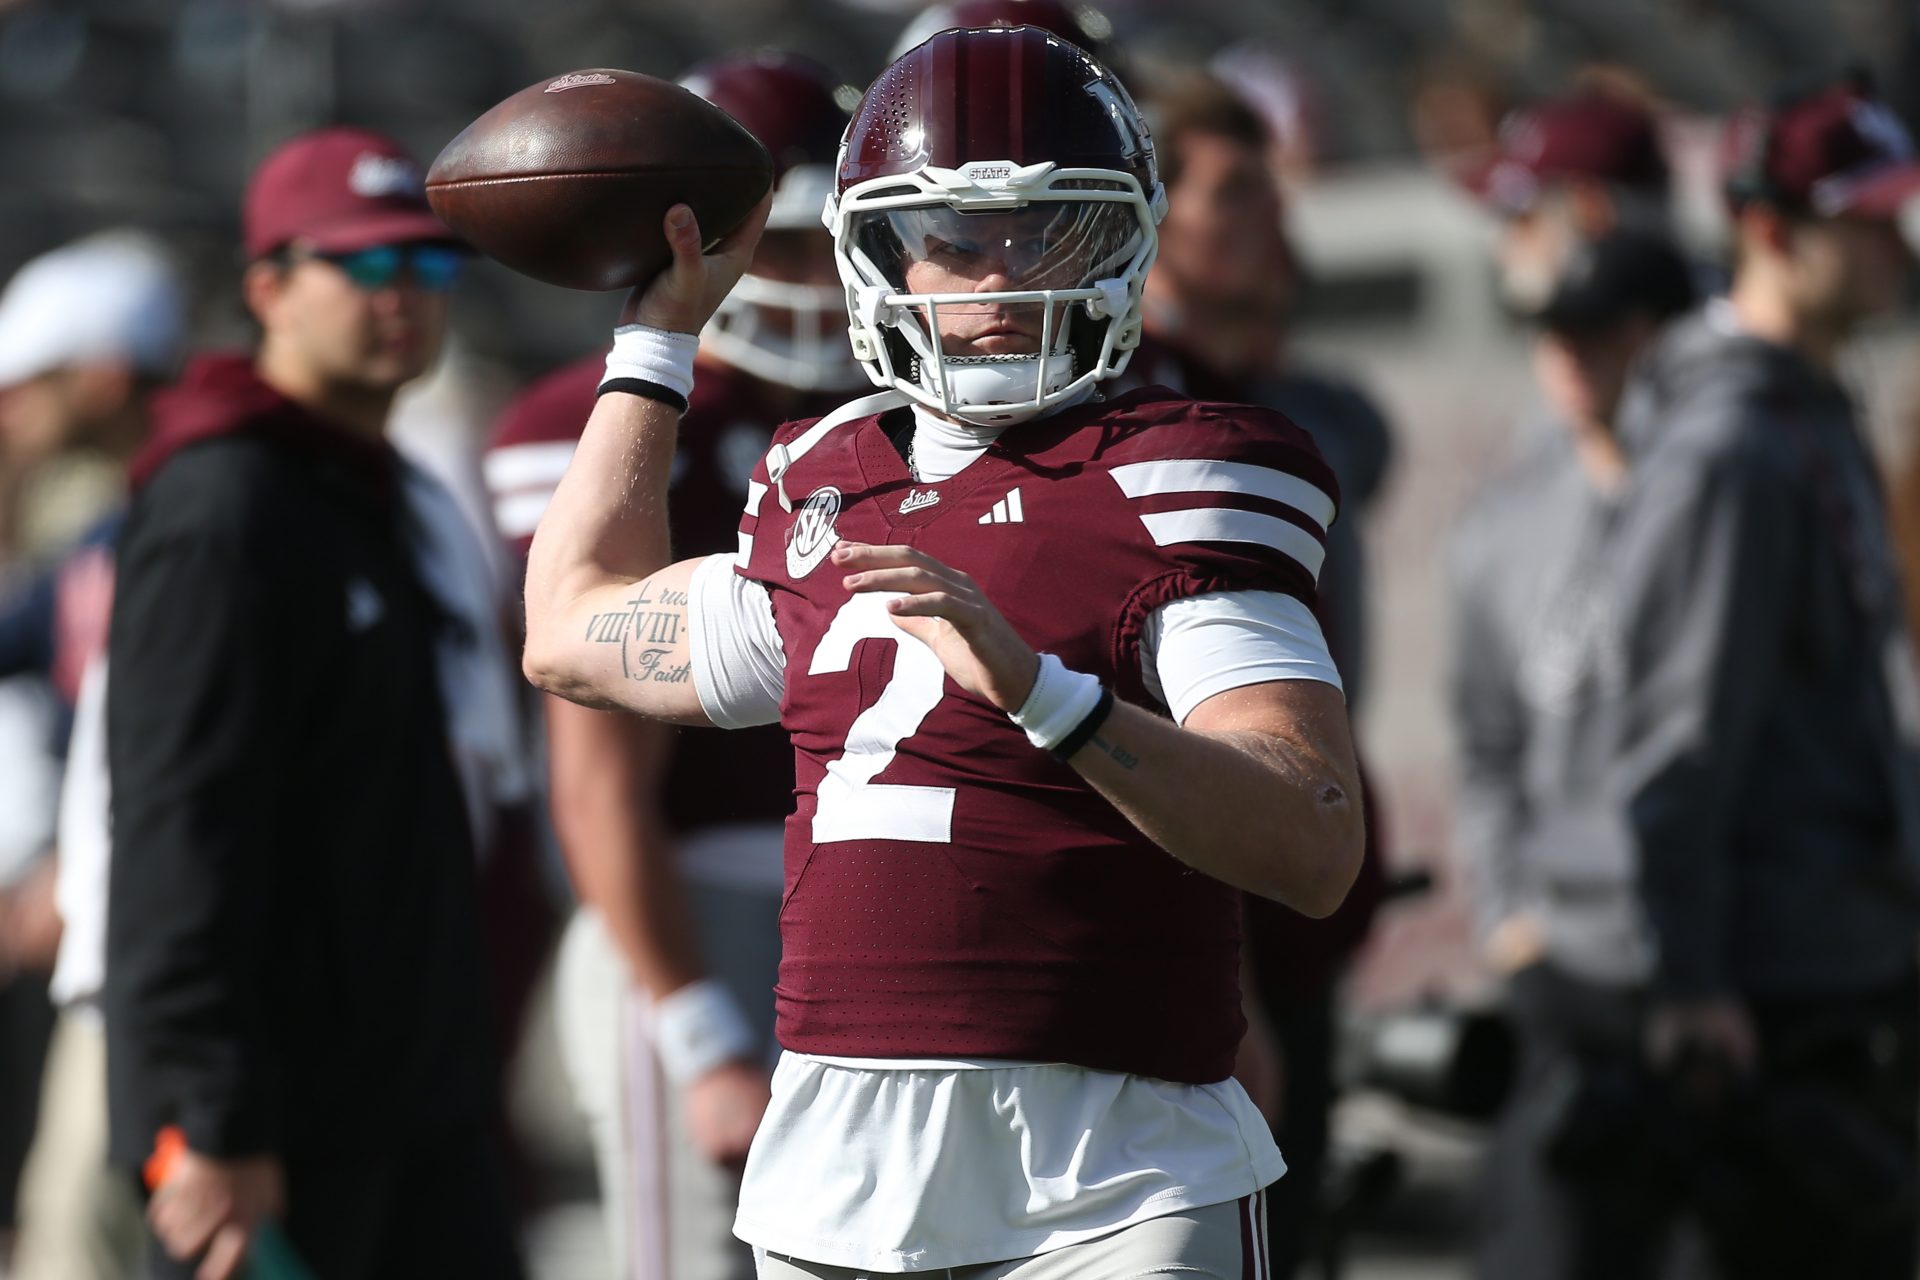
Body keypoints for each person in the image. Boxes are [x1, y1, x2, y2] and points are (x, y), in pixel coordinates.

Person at [523, 26, 1363, 1279]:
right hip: (837, 1165)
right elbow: (571, 628)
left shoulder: (1178, 474)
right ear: (882, 256)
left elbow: (1312, 837)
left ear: (1124, 239)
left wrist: (1049, 697)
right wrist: (656, 339)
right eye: (954, 241)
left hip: (1113, 1163)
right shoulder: (822, 479)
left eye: (1045, 232)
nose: (998, 279)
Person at [104, 126, 526, 1280]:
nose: (405, 298)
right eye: (368, 268)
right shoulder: (224, 501)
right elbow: (175, 826)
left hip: (414, 1107)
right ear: (268, 288)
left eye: (429, 270)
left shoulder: (371, 489)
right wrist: (209, 1113)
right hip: (273, 1129)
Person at [483, 52, 860, 1280]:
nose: (810, 278)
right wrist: (696, 1029)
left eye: (825, 242)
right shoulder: (594, 421)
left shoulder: (877, 418)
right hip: (689, 925)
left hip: (857, 913)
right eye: (778, 242)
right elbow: (596, 774)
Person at [1607, 75, 1920, 1279]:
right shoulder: (1732, 447)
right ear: (1773, 229)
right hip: (1771, 999)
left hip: (1842, 960)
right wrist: (1689, 974)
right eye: (1868, 214)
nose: (1896, 242)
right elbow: (1677, 735)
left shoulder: (1811, 407)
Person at [1121, 75, 1391, 1278]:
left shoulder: (1272, 401)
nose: (1267, 224)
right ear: (1150, 217)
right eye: (1231, 195)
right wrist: (1231, 986)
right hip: (1210, 930)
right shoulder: (1141, 416)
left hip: (1295, 911)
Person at [1449, 97, 1696, 1272]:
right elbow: (1487, 746)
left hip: (1728, 987)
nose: (1509, 254)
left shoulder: (1736, 470)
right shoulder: (1509, 514)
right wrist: (1516, 927)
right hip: (1572, 985)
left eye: (1522, 217)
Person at [0, 229, 186, 1280]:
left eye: (30, 383)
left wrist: (79, 862)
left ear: (104, 376)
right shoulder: (96, 536)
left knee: (83, 1232)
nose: (11, 410)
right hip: (104, 931)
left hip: (158, 938)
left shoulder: (193, 516)